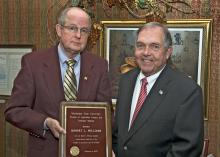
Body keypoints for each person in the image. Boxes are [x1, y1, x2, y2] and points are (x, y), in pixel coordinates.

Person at [4, 7, 112, 157]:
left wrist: (105, 147)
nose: (78, 35)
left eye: (84, 30)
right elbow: (14, 110)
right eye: (72, 28)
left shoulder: (99, 66)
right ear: (59, 30)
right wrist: (45, 122)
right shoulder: (33, 63)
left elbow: (105, 115)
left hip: (88, 153)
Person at [112, 22, 204, 157]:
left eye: (155, 46)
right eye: (140, 45)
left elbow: (186, 148)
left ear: (168, 52)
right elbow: (119, 133)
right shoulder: (126, 80)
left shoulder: (187, 91)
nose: (146, 52)